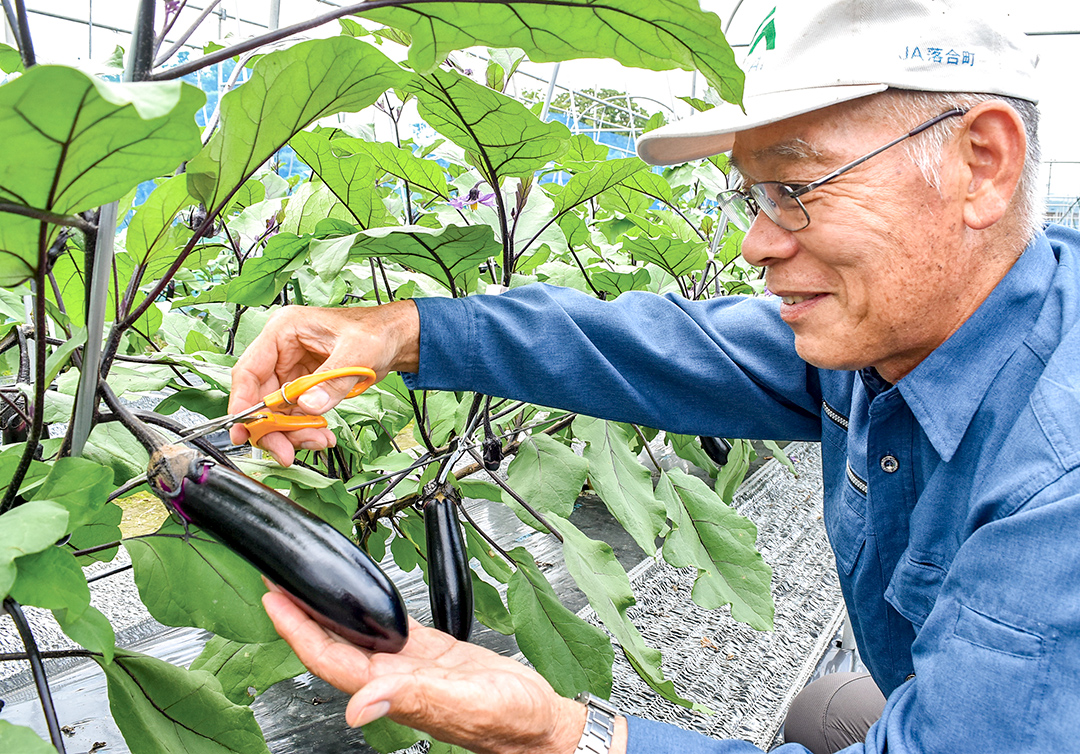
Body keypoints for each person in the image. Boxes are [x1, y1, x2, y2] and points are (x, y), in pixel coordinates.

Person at [228, 1, 1080, 752]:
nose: (756, 244)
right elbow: (661, 344)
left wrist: (564, 736)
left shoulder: (1060, 482)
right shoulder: (904, 331)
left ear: (983, 164)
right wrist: (400, 329)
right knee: (823, 712)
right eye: (752, 197)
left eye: (796, 186)